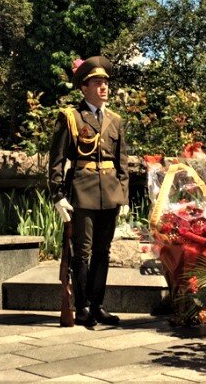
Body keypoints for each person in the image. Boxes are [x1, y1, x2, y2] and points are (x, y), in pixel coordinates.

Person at [49, 56, 129, 327]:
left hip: (110, 192)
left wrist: (124, 196)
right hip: (82, 190)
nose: (104, 87)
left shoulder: (115, 120)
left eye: (106, 82)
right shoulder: (71, 117)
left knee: (103, 251)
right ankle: (81, 306)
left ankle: (98, 305)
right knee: (82, 251)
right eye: (97, 83)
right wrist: (58, 195)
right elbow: (57, 160)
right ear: (84, 88)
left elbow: (122, 162)